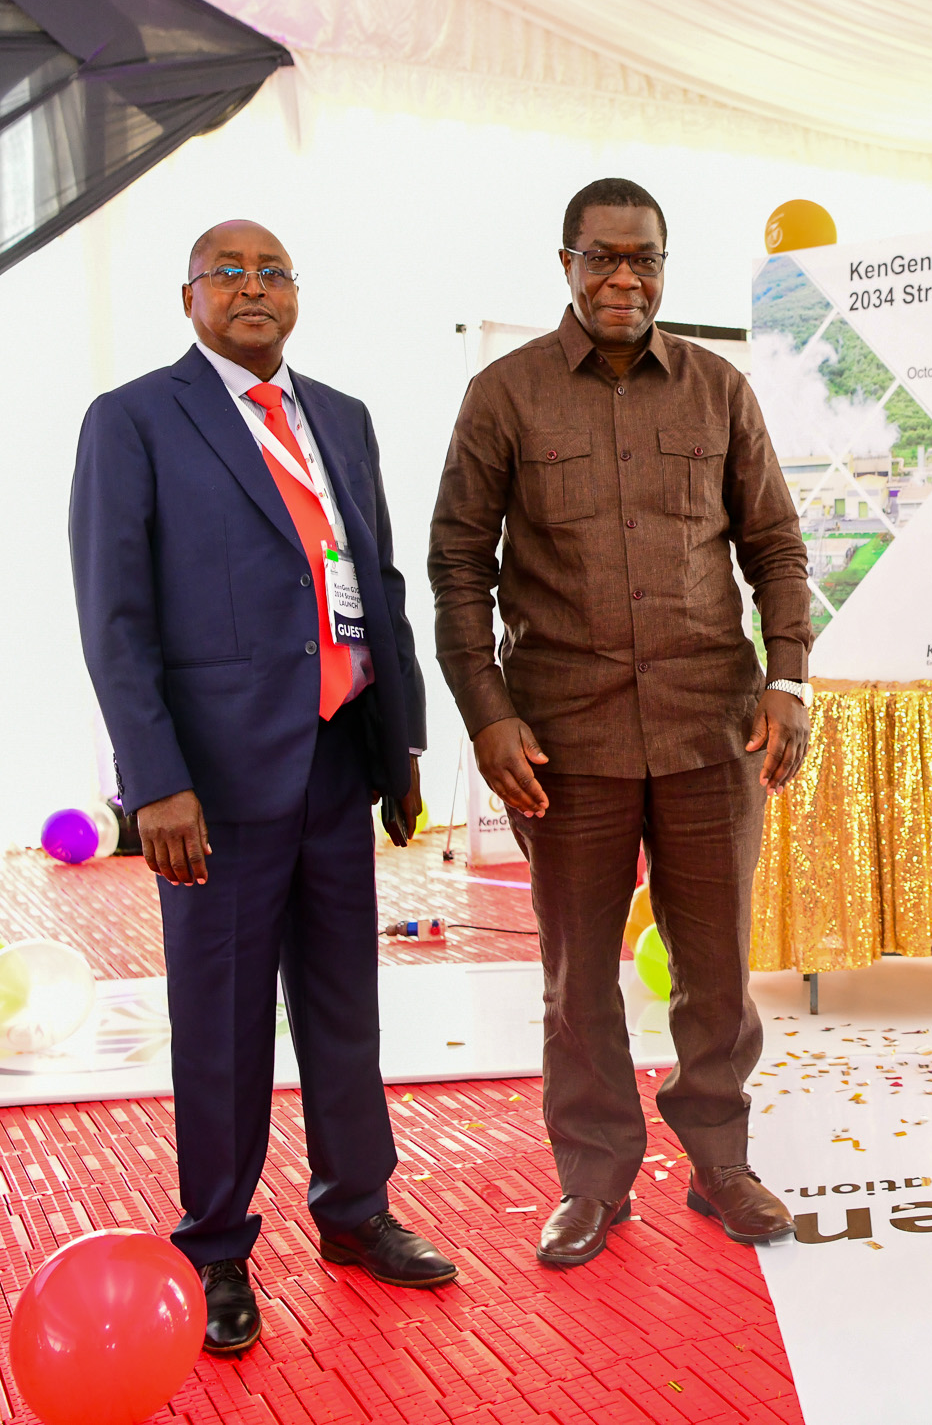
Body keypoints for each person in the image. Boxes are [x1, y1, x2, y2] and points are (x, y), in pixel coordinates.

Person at [69, 221, 457, 1356]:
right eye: (227, 272)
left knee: (344, 1009)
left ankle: (355, 1213)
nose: (252, 288)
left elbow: (372, 578)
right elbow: (115, 616)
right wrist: (155, 786)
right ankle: (216, 1250)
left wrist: (402, 744)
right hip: (213, 789)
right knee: (223, 1027)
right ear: (187, 295)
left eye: (273, 271)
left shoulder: (340, 417)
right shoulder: (135, 419)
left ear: (298, 294)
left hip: (338, 755)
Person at [429, 179, 812, 1266]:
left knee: (717, 969)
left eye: (643, 260)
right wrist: (488, 714)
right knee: (576, 974)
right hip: (564, 741)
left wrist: (787, 678)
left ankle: (722, 1165)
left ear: (663, 268)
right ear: (565, 263)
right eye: (602, 258)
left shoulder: (718, 389)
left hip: (710, 730)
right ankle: (593, 1183)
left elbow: (776, 546)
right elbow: (457, 564)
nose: (623, 279)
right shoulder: (502, 396)